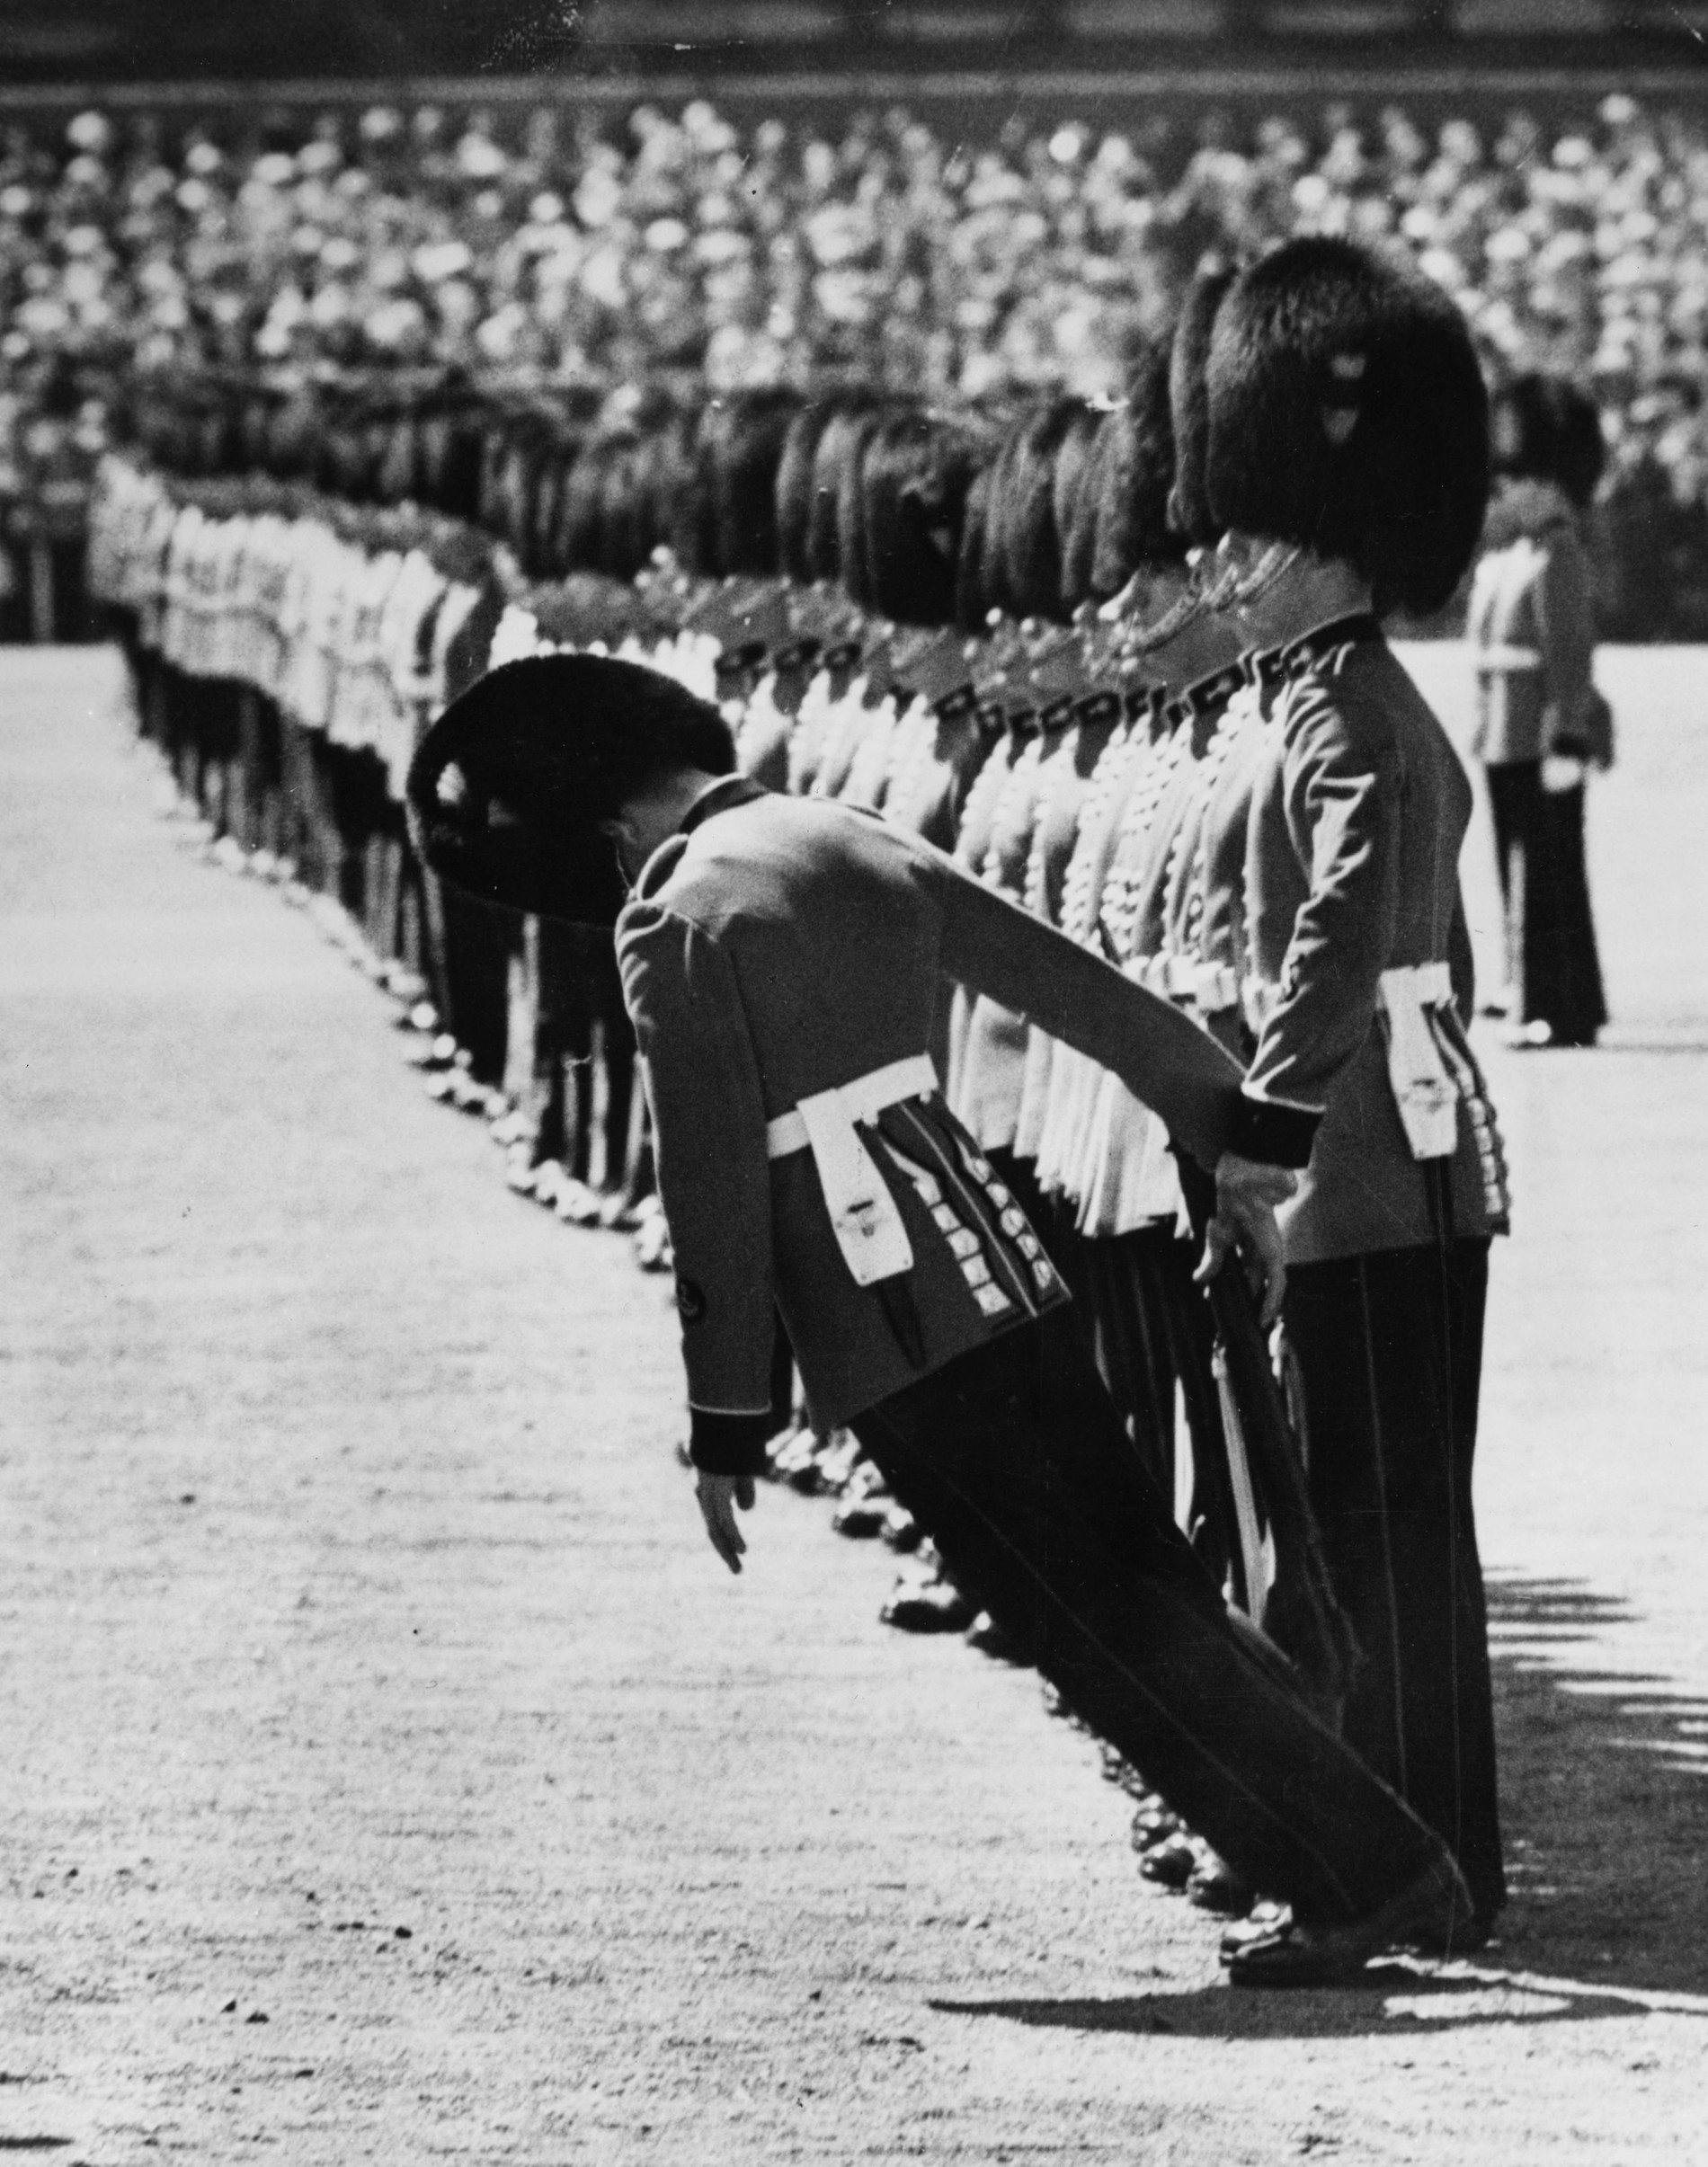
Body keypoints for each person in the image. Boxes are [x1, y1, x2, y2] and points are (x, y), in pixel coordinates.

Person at [407, 647, 1482, 1985]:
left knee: (1086, 1623)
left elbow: (715, 1192)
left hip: (884, 1322)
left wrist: (728, 1415)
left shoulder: (672, 917)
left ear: (610, 825)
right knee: (1148, 1582)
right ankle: (1388, 1858)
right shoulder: (844, 831)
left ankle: (1355, 1876)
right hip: (1003, 1264)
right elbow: (1094, 999)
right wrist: (1243, 1151)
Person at [1202, 235, 1511, 1950]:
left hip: (1370, 1173)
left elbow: (1337, 946)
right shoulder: (1337, 703)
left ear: (1318, 536)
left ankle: (1398, 1869)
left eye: (1250, 537)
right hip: (1386, 1165)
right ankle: (1427, 1860)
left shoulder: (1352, 719)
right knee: (1381, 1526)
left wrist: (1261, 1139)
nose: (1227, 568)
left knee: (1373, 1532)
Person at [1467, 371, 1612, 1048]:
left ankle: (1559, 1004)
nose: (1509, 490)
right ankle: (1526, 985)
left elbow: (1570, 656)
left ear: (1554, 485)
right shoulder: (1515, 556)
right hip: (1506, 737)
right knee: (1520, 873)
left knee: (1550, 879)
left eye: (1522, 478)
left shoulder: (1559, 556)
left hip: (1541, 739)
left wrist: (1569, 736)